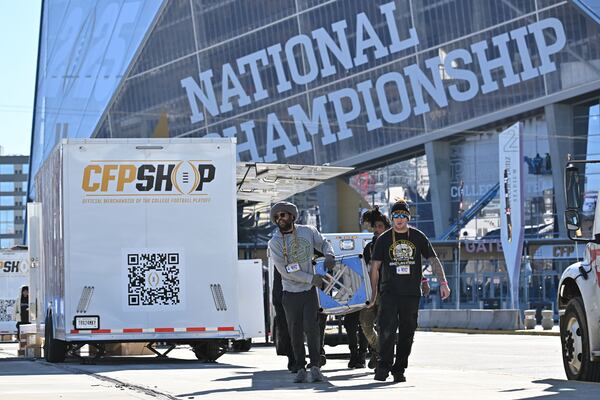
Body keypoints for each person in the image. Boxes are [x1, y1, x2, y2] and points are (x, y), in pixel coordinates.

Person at [369, 200, 450, 382]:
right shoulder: (383, 240)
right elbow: (374, 268)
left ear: (408, 217)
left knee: (407, 333)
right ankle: (383, 366)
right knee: (386, 330)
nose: (399, 219)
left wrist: (443, 282)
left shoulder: (418, 237)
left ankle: (399, 369)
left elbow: (433, 260)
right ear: (392, 218)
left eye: (403, 216)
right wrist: (373, 294)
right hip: (389, 292)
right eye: (396, 215)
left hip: (411, 294)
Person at [268, 201, 335, 383]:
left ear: (292, 216)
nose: (280, 219)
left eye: (283, 215)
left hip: (308, 293)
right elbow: (285, 270)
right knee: (294, 331)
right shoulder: (274, 243)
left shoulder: (308, 231)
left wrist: (329, 254)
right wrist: (311, 278)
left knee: (312, 329)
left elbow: (324, 243)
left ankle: (315, 367)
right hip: (290, 293)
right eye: (277, 216)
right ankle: (300, 367)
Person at [358, 206, 390, 369]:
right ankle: (380, 351)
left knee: (384, 327)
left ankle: (381, 355)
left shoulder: (392, 246)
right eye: (376, 226)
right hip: (370, 292)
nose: (378, 229)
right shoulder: (368, 247)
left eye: (381, 226)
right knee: (365, 323)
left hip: (387, 292)